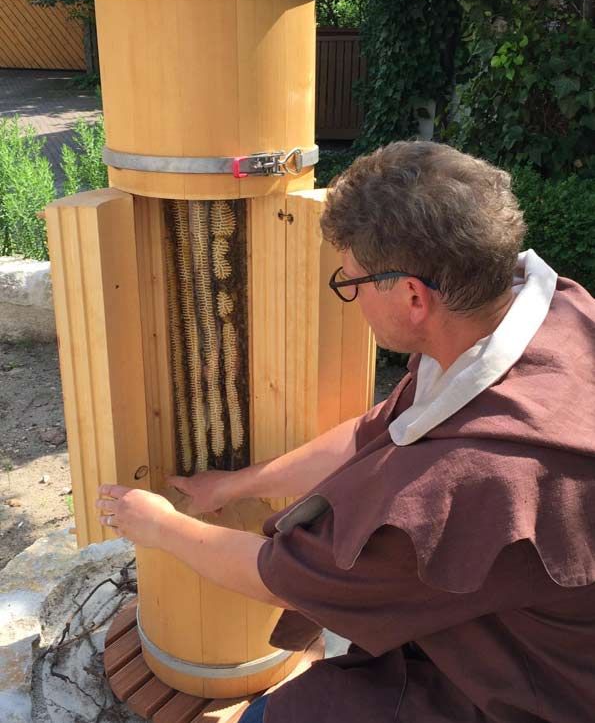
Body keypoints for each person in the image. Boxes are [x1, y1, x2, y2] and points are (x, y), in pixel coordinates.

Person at [96, 141, 595, 723]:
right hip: (505, 631)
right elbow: (377, 428)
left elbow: (284, 576)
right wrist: (234, 485)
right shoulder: (549, 314)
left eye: (351, 283)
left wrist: (160, 526)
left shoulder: (464, 486)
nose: (351, 298)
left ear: (412, 296)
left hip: (528, 695)